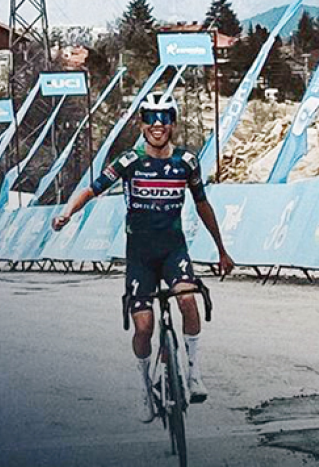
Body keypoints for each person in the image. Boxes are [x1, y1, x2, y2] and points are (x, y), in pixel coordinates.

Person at [52, 93, 235, 423]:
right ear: (141, 124)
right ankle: (144, 389)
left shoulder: (187, 162)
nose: (157, 124)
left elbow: (202, 204)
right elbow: (92, 190)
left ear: (174, 124)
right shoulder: (129, 161)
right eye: (150, 117)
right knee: (144, 326)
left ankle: (193, 374)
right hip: (140, 255)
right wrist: (67, 213)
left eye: (164, 117)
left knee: (188, 300)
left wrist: (221, 249)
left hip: (173, 250)